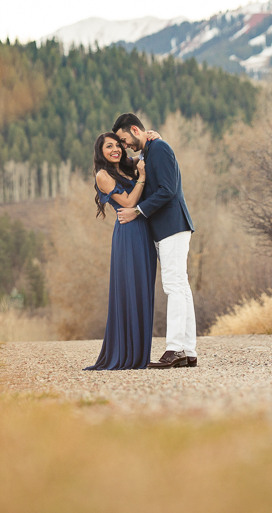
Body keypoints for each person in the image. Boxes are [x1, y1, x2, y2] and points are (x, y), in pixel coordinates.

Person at [113, 113, 197, 369]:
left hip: (172, 226)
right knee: (180, 287)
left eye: (123, 138)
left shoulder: (159, 148)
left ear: (135, 129)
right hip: (167, 229)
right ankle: (188, 351)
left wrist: (137, 211)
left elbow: (168, 189)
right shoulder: (150, 151)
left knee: (173, 286)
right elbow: (129, 163)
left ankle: (173, 349)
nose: (123, 144)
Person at [85, 131, 158, 370]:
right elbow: (128, 203)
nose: (116, 149)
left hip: (144, 231)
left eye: (118, 145)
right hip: (128, 234)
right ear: (101, 151)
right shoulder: (102, 175)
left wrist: (154, 135)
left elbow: (147, 152)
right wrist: (142, 179)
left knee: (143, 289)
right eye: (109, 146)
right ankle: (127, 354)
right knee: (130, 289)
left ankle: (140, 353)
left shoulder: (128, 165)